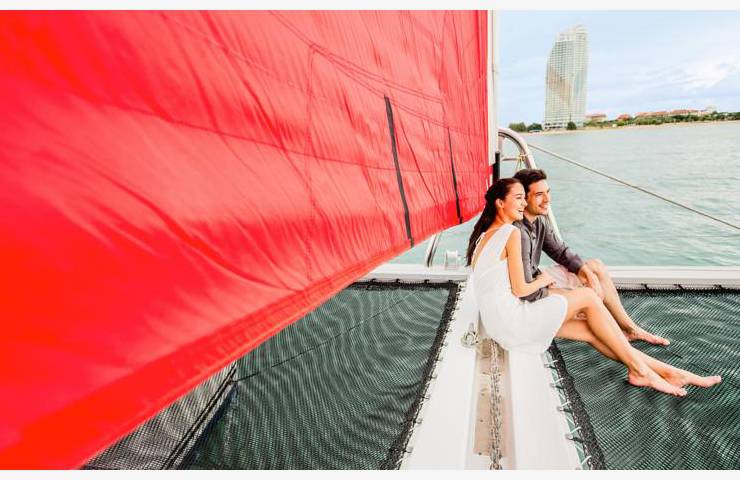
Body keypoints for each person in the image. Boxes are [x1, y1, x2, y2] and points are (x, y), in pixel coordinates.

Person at [467, 178, 721, 396]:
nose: (524, 203)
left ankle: (669, 372)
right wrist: (544, 279)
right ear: (500, 203)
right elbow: (521, 290)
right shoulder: (511, 233)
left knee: (591, 331)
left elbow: (507, 285)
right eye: (519, 198)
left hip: (500, 326)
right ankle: (641, 370)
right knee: (589, 297)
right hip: (513, 321)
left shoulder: (483, 237)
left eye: (525, 198)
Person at [512, 168, 667, 346]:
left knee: (595, 267)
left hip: (537, 278)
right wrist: (566, 292)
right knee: (588, 297)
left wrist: (587, 274)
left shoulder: (539, 220)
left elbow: (560, 252)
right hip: (529, 291)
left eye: (548, 192)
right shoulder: (518, 231)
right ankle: (615, 335)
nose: (548, 199)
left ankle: (631, 329)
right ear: (523, 198)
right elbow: (524, 288)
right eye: (539, 195)